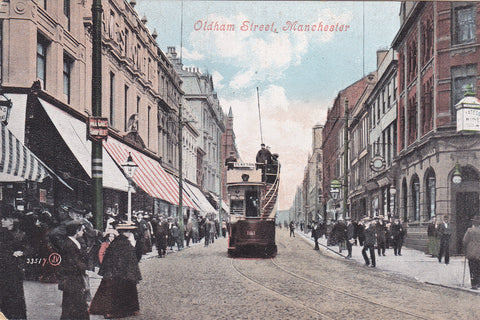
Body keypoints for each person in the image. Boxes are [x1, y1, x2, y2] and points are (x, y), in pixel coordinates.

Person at [89, 223, 142, 318]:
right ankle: (120, 311)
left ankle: (113, 310)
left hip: (113, 272)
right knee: (121, 291)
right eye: (128, 231)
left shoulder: (116, 242)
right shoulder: (125, 243)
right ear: (123, 232)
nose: (129, 233)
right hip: (122, 273)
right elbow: (130, 259)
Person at [58, 221, 90, 320]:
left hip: (72, 278)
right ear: (76, 231)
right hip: (72, 278)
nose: (83, 232)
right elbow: (74, 262)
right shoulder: (70, 244)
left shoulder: (70, 242)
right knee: (76, 302)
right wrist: (85, 268)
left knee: (71, 303)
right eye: (82, 230)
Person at [0, 207, 27, 320]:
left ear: (11, 221)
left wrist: (20, 253)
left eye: (4, 219)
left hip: (12, 271)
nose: (1, 221)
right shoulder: (6, 233)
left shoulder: (16, 234)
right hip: (9, 270)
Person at [463, 216, 480, 290]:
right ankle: (479, 283)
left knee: (472, 268)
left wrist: (465, 248)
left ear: (473, 222)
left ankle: (474, 284)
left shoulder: (469, 230)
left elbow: (464, 241)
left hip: (471, 252)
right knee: (478, 268)